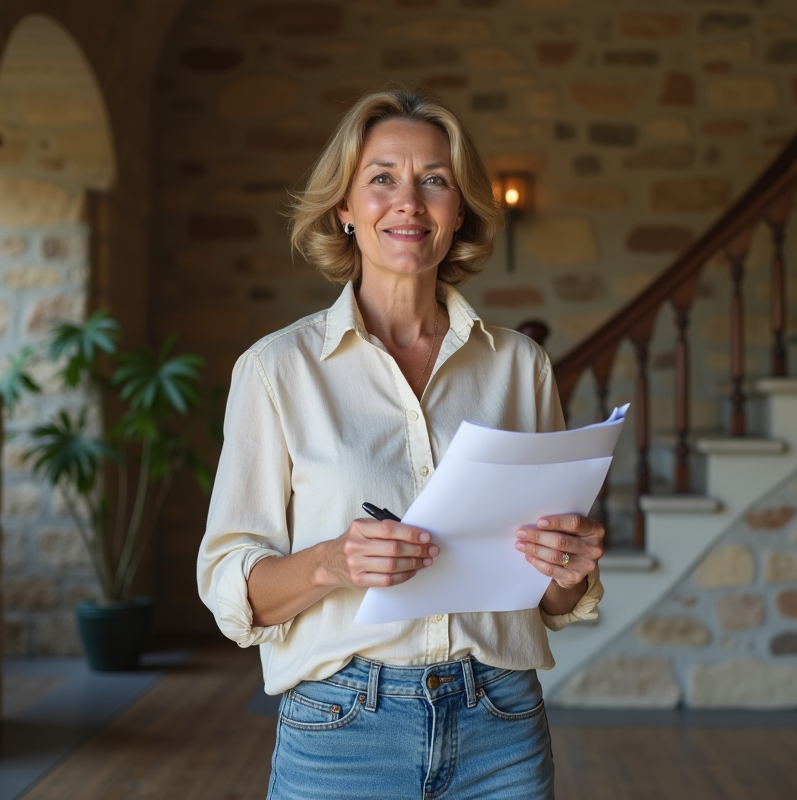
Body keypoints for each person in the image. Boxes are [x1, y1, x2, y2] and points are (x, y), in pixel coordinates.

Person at [197, 87, 605, 800]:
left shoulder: (519, 366)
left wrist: (565, 569)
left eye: (434, 181)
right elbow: (233, 587)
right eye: (382, 177)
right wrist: (331, 563)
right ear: (345, 209)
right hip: (341, 731)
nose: (409, 201)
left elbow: (548, 598)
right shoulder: (276, 370)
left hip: (501, 726)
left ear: (458, 213)